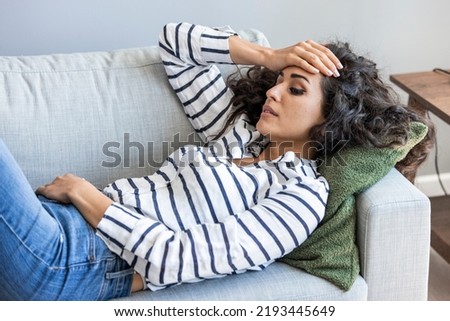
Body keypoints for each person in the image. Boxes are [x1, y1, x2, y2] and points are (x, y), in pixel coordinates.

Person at [0, 22, 432, 300]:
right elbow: (175, 42)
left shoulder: (300, 198)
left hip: (75, 260)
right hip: (56, 220)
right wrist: (269, 56)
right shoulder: (236, 132)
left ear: (330, 119)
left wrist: (86, 195)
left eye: (296, 89)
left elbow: (175, 260)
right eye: (278, 82)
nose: (273, 93)